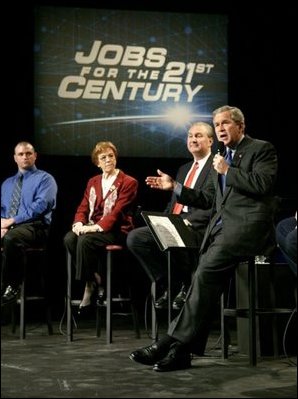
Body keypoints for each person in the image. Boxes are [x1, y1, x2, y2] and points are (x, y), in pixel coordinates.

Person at [129, 105, 278, 372]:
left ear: (240, 126)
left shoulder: (260, 149)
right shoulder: (222, 156)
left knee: (203, 275)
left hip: (247, 230)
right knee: (203, 283)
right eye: (217, 124)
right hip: (221, 232)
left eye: (225, 123)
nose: (220, 128)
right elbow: (210, 199)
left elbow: (263, 185)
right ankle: (181, 353)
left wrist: (228, 171)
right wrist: (175, 188)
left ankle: (169, 341)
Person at [127, 122, 214, 310]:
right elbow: (174, 204)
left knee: (175, 238)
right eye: (190, 136)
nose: (193, 139)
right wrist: (162, 220)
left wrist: (188, 222)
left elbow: (213, 203)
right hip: (176, 222)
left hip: (198, 226)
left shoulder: (216, 166)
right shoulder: (184, 169)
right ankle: (170, 282)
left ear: (210, 140)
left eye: (198, 135)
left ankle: (185, 284)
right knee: (136, 237)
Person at [63, 141, 138, 315]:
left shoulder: (128, 182)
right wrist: (79, 223)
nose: (108, 160)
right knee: (69, 238)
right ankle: (94, 277)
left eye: (111, 156)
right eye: (103, 157)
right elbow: (83, 207)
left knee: (86, 240)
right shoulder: (93, 181)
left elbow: (118, 212)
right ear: (97, 162)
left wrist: (94, 228)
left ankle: (89, 286)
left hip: (117, 230)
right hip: (94, 227)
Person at [1, 141, 58, 305]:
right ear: (15, 158)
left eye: (28, 153)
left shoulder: (45, 179)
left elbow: (41, 206)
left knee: (12, 237)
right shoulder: (7, 184)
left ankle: (11, 285)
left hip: (36, 227)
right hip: (9, 228)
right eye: (21, 154)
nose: (25, 157)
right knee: (9, 235)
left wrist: (12, 222)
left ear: (35, 156)